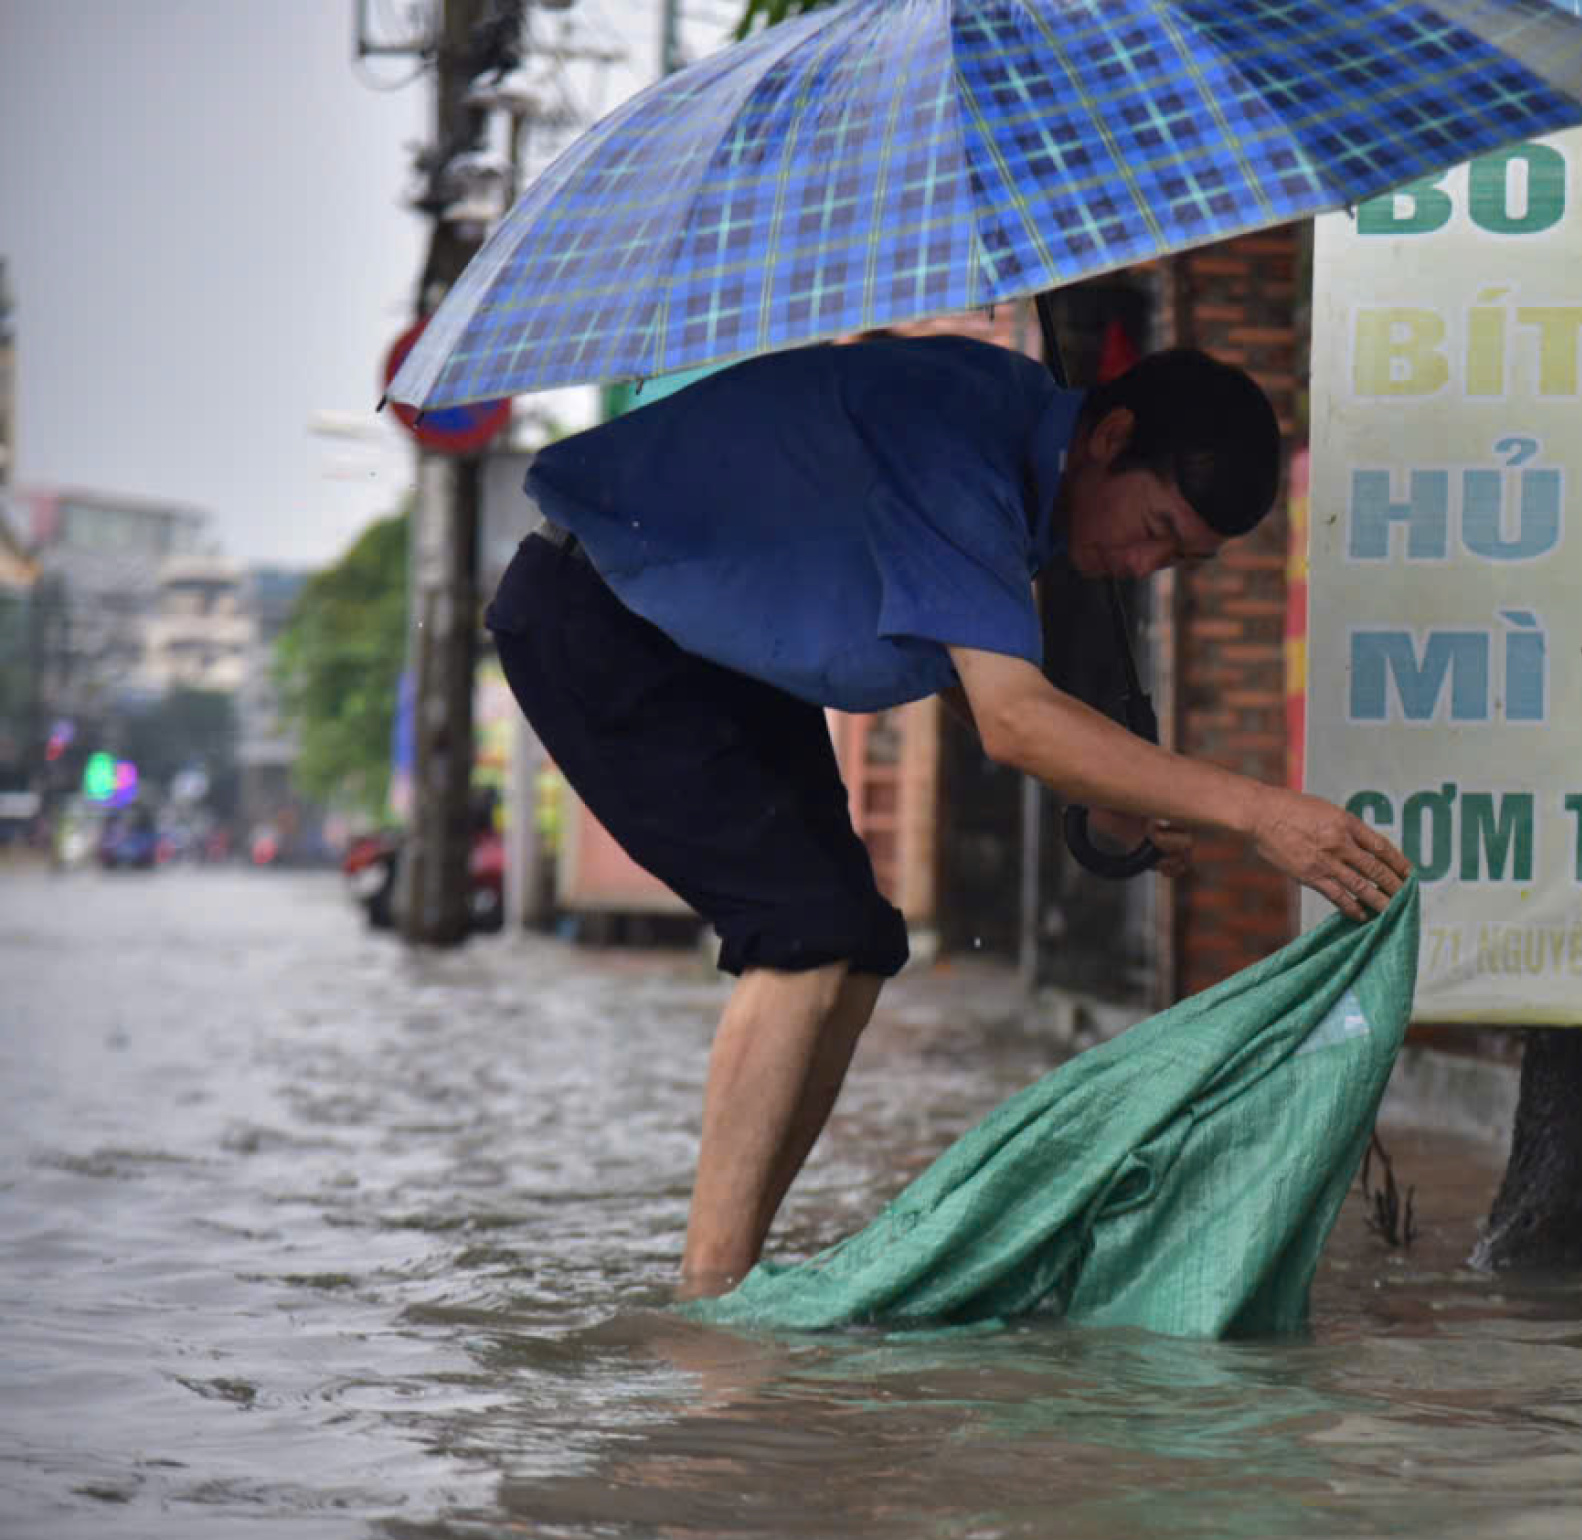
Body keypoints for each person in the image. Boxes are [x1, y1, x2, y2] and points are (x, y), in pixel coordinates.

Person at [487, 333, 1410, 1296]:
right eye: (1155, 528)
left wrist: (1110, 785)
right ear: (1113, 435)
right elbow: (1014, 720)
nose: (1142, 565)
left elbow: (970, 672)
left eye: (1177, 560)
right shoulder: (961, 431)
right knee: (804, 933)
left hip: (709, 650)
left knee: (859, 940)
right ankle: (706, 1305)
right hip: (601, 618)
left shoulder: (1008, 448)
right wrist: (1260, 814)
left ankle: (735, 1270)